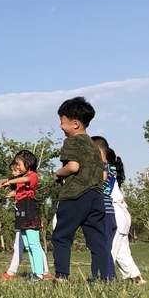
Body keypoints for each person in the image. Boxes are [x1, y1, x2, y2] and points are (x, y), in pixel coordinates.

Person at [52, 97, 110, 281]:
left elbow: (73, 167)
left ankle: (61, 277)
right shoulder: (94, 146)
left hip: (75, 196)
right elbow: (103, 175)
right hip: (96, 196)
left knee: (61, 237)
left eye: (62, 122)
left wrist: (58, 174)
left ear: (75, 124)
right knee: (98, 241)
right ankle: (101, 279)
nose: (61, 126)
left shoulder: (72, 142)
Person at [96, 141, 146, 284]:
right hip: (123, 215)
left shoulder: (105, 171)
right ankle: (136, 277)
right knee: (122, 251)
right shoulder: (113, 173)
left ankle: (107, 278)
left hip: (115, 214)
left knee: (109, 250)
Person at [0, 150, 49, 281]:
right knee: (27, 244)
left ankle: (39, 274)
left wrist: (9, 182)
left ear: (28, 164)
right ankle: (36, 273)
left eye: (18, 164)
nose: (17, 167)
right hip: (21, 213)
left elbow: (26, 179)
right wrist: (4, 183)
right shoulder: (20, 179)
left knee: (34, 244)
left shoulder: (32, 175)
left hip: (30, 211)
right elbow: (16, 188)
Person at [92, 136, 119, 280]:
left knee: (103, 247)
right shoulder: (110, 168)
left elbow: (102, 176)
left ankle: (109, 276)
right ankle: (97, 275)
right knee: (99, 246)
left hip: (104, 214)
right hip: (107, 214)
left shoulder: (105, 168)